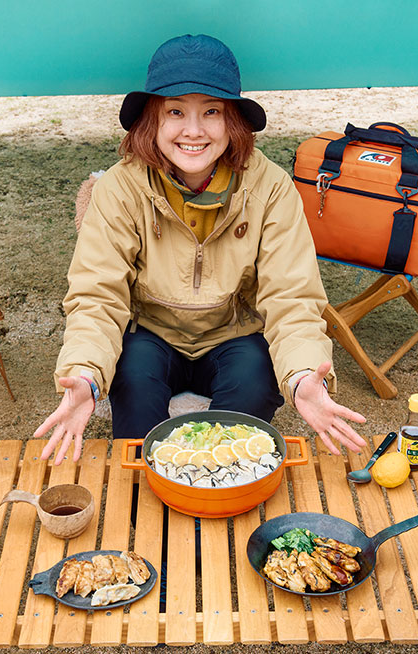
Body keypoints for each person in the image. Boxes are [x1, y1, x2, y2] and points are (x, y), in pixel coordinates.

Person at [34, 34, 366, 463]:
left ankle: (225, 496)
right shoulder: (120, 187)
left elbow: (292, 296)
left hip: (233, 334)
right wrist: (84, 372)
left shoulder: (270, 187)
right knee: (133, 389)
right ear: (152, 119)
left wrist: (304, 375)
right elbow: (97, 294)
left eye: (211, 111)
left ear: (234, 122)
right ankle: (143, 511)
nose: (193, 131)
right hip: (151, 332)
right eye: (176, 111)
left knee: (249, 399)